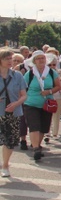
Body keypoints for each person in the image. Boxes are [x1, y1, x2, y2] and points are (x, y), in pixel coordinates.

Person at [22, 50, 61, 162]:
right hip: (31, 103)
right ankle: (35, 148)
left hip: (46, 104)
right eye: (38, 58)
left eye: (42, 58)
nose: (41, 60)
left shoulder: (51, 72)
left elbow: (58, 86)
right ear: (34, 61)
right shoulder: (29, 74)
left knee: (44, 126)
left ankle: (37, 146)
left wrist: (49, 92)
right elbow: (23, 87)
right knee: (34, 126)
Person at [1, 49, 27, 177]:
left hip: (13, 112)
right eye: (7, 59)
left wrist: (16, 104)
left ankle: (5, 165)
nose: (10, 61)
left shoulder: (17, 75)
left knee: (10, 140)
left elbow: (23, 95)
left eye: (11, 58)